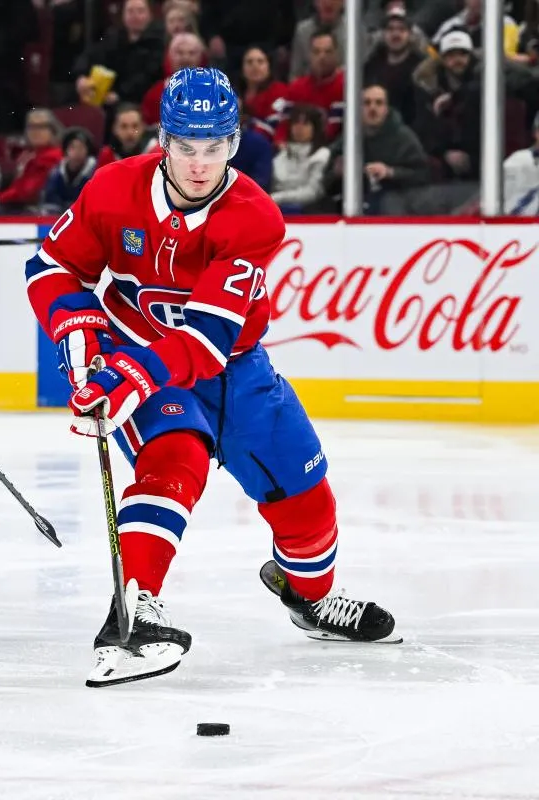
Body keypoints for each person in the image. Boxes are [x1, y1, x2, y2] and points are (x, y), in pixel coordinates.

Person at [24, 67, 400, 689]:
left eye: (215, 147)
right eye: (185, 146)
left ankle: (308, 597)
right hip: (140, 353)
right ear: (163, 141)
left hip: (235, 370)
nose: (200, 164)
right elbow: (52, 268)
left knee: (308, 500)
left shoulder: (255, 218)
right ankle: (135, 608)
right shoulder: (113, 189)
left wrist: (127, 378)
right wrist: (82, 337)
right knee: (175, 458)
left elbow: (205, 340)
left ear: (234, 143)